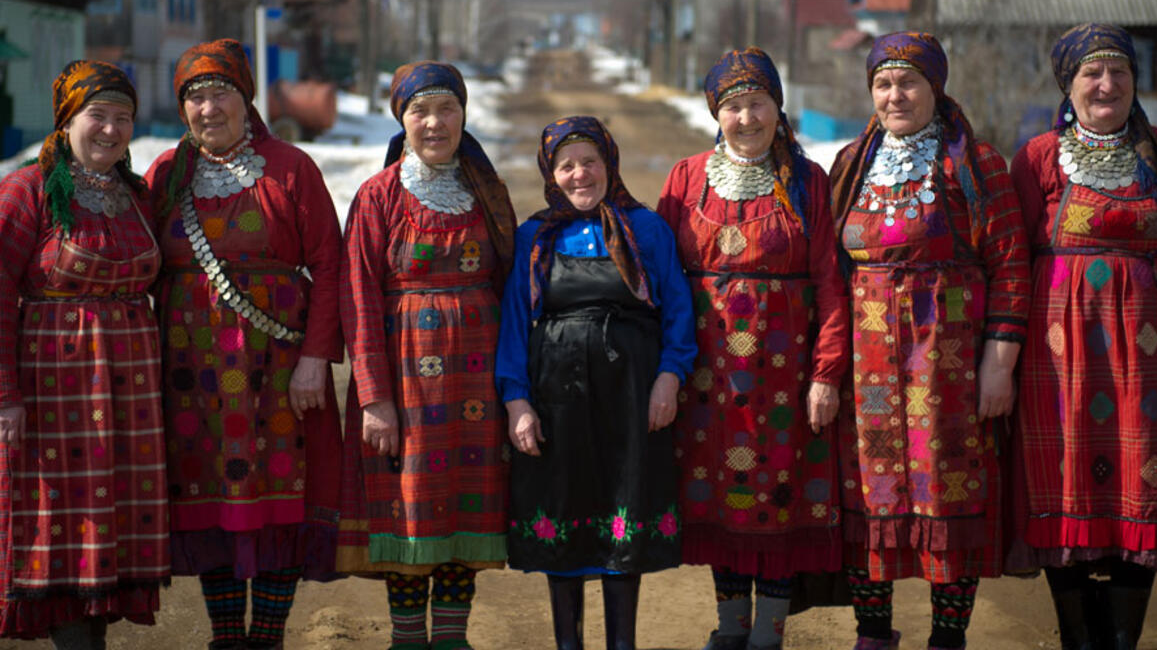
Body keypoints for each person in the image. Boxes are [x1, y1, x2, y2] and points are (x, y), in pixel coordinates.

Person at [829, 32, 1030, 650]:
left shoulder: (975, 163)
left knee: (951, 488)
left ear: (935, 88)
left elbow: (1012, 266)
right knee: (868, 490)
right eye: (883, 85)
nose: (895, 96)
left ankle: (947, 637)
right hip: (866, 368)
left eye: (908, 82)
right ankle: (873, 635)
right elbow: (829, 270)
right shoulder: (850, 163)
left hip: (947, 364)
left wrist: (998, 364)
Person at [1007, 23, 1157, 650]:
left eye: (1120, 72)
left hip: (1154, 363)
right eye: (1093, 73)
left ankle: (1120, 641)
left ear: (1135, 82)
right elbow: (1011, 260)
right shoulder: (1037, 158)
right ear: (1069, 84)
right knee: (1065, 486)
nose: (1107, 84)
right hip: (1060, 361)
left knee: (1140, 486)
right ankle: (1077, 641)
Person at [146, 39, 344, 650]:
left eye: (221, 93)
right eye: (195, 97)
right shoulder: (163, 175)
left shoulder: (292, 168)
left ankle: (268, 637)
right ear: (183, 110)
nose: (209, 109)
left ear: (246, 98)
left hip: (277, 369)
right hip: (191, 374)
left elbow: (330, 267)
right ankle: (227, 636)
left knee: (280, 493)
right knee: (213, 496)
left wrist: (315, 359)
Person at [656, 47, 849, 650]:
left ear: (777, 106)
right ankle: (730, 625)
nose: (747, 117)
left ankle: (769, 631)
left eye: (758, 102)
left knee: (780, 497)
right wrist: (667, 366)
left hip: (785, 374)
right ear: (717, 112)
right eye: (733, 106)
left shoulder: (808, 179)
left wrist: (826, 374)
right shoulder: (686, 178)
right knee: (720, 495)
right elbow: (663, 280)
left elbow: (830, 283)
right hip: (708, 376)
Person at [497, 115, 696, 650]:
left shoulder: (646, 229)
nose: (580, 174)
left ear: (610, 164)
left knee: (622, 507)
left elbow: (678, 311)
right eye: (566, 165)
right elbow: (514, 322)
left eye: (590, 162)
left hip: (631, 393)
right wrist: (516, 401)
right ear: (550, 172)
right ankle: (568, 644)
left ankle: (622, 644)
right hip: (556, 396)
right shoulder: (533, 236)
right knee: (562, 506)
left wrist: (669, 379)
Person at [337, 62, 516, 650]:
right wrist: (374, 397)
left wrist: (518, 389)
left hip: (476, 388)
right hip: (407, 389)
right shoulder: (377, 196)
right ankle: (408, 637)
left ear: (465, 117)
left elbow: (514, 287)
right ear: (401, 119)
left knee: (465, 509)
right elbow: (358, 299)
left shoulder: (487, 193)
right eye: (420, 111)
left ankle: (453, 639)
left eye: (447, 110)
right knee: (410, 510)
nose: (434, 123)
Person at [0, 61, 168, 647]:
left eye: (124, 117)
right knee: (66, 527)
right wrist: (5, 396)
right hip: (56, 392)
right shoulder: (29, 190)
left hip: (130, 396)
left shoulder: (138, 195)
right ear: (67, 119)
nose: (111, 129)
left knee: (111, 530)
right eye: (97, 115)